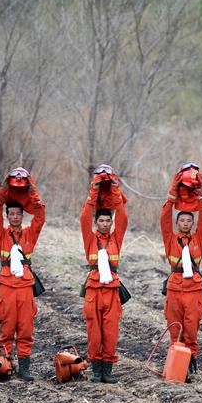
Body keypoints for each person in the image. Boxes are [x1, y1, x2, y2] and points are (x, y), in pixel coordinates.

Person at [0, 167, 46, 381]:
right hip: (6, 286)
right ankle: (4, 366)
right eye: (11, 214)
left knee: (25, 329)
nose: (14, 217)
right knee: (6, 329)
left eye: (17, 214)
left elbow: (40, 215)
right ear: (7, 217)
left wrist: (31, 188)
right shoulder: (1, 234)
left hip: (25, 287)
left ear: (22, 216)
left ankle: (24, 369)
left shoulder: (30, 234)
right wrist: (4, 189)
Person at [161, 163, 202, 379]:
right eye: (182, 220)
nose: (186, 223)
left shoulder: (198, 238)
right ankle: (176, 367)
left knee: (191, 330)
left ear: (192, 222)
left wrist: (200, 195)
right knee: (175, 329)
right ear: (177, 222)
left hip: (194, 289)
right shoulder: (170, 239)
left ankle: (191, 365)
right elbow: (164, 216)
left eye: (189, 220)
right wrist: (173, 193)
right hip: (174, 287)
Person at [80, 164, 128, 384]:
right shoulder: (90, 238)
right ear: (96, 223)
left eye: (108, 221)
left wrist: (115, 189)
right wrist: (94, 191)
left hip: (112, 290)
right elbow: (84, 216)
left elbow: (123, 215)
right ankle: (95, 370)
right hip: (93, 289)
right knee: (94, 332)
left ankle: (107, 372)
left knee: (110, 332)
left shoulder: (116, 238)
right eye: (101, 221)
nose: (105, 224)